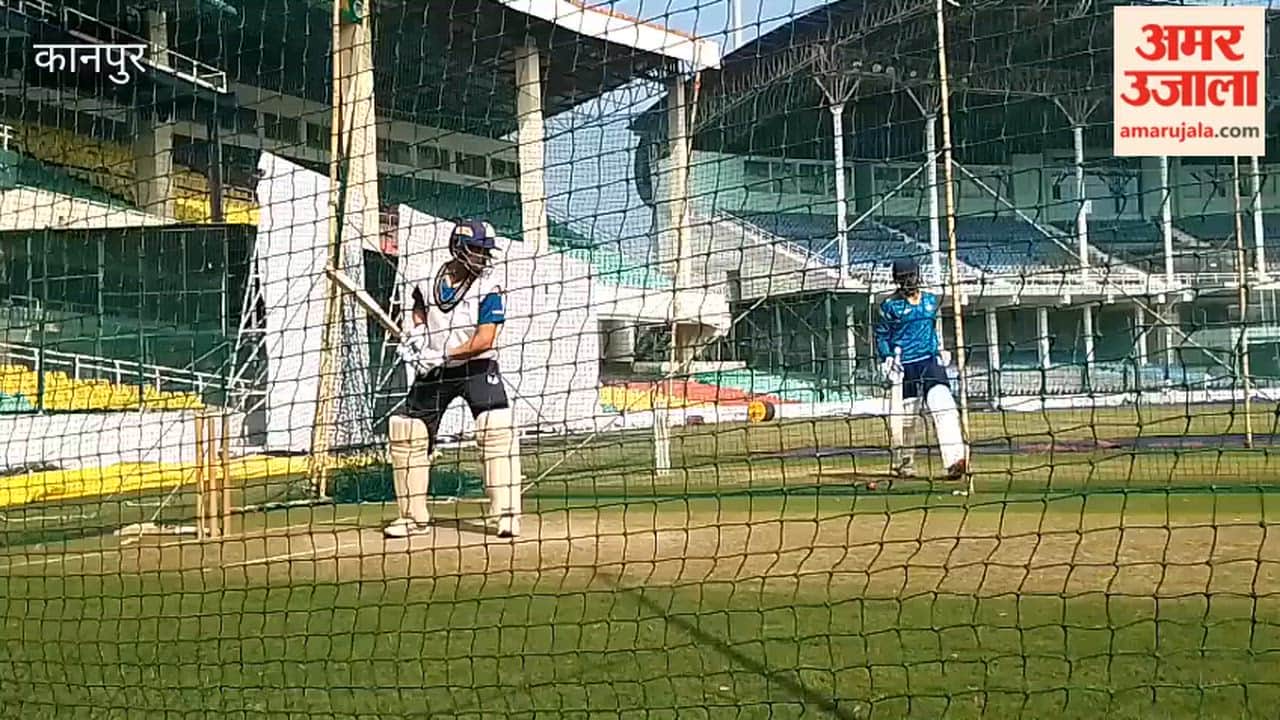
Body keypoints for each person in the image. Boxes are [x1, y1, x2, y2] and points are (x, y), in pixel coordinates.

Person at [385, 219, 523, 539]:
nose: (482, 257)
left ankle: (506, 515)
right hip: (434, 371)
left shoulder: (489, 286)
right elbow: (419, 308)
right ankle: (411, 517)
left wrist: (446, 355)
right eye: (476, 250)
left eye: (485, 251)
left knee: (496, 429)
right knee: (408, 433)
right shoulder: (426, 272)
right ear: (458, 248)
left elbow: (485, 339)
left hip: (476, 366)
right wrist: (417, 335)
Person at [874, 256, 969, 480]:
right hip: (904, 366)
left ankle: (955, 460)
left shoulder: (930, 300)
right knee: (906, 420)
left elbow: (931, 330)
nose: (909, 282)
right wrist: (887, 358)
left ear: (918, 275)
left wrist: (938, 350)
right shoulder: (890, 306)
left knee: (944, 407)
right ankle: (903, 463)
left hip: (929, 362)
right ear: (897, 281)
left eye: (911, 276)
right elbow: (881, 336)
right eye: (903, 278)